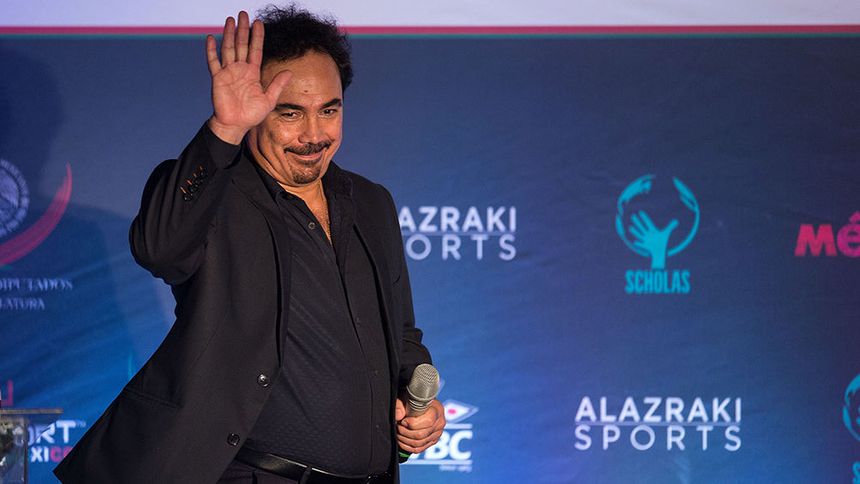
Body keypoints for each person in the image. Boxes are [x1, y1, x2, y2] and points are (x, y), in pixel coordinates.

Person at [54, 6, 445, 483]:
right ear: (257, 108)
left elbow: (400, 335)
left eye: (329, 110)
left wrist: (419, 403)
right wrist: (225, 130)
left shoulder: (371, 202)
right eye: (290, 113)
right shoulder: (217, 193)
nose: (314, 135)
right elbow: (157, 248)